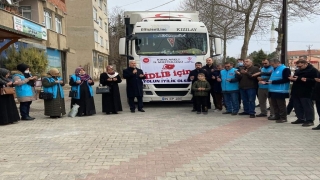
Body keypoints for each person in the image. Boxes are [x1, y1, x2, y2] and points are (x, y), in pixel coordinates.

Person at [289, 59, 318, 127]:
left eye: (300, 66)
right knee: (297, 106)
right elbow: (297, 78)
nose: (299, 68)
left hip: (307, 91)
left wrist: (301, 79)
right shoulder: (298, 71)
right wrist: (293, 79)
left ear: (305, 64)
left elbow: (315, 81)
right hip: (296, 91)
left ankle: (309, 120)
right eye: (298, 66)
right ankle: (300, 118)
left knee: (307, 107)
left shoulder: (313, 71)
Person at [262, 59, 290, 123]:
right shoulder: (274, 69)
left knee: (281, 105)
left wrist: (273, 82)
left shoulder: (285, 69)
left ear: (278, 63)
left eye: (273, 64)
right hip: (272, 90)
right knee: (274, 104)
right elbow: (273, 78)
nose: (272, 66)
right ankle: (277, 115)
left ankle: (283, 117)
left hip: (281, 90)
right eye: (271, 64)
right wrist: (266, 82)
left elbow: (286, 79)